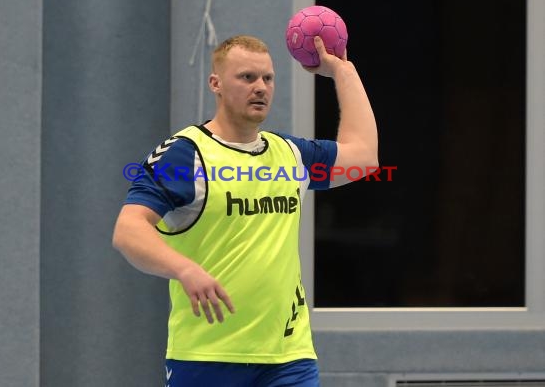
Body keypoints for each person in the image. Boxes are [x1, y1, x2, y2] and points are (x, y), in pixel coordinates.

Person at [112, 34, 378, 387]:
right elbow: (128, 229)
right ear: (216, 84)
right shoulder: (185, 154)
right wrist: (185, 269)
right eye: (247, 77)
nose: (260, 88)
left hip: (289, 356)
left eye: (267, 78)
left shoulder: (290, 155)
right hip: (208, 355)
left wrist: (343, 72)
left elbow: (362, 157)